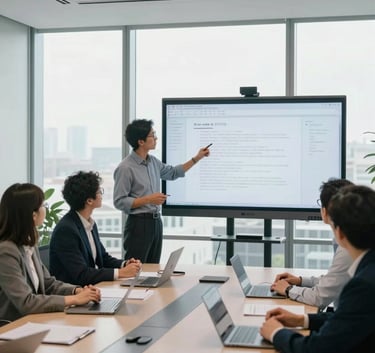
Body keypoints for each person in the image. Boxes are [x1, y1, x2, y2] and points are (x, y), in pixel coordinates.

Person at [260, 184, 375, 353]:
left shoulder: (364, 285)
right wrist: (302, 319)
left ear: (340, 234)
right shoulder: (368, 268)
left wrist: (276, 333)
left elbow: (316, 349)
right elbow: (350, 317)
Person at [113, 119, 210, 263]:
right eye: (152, 135)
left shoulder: (153, 161)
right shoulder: (126, 168)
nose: (156, 138)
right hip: (138, 224)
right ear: (141, 141)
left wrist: (197, 158)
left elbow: (173, 173)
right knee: (135, 269)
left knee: (152, 268)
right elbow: (119, 201)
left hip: (156, 222)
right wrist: (148, 199)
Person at [0, 183, 101, 322]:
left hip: (34, 321)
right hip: (12, 328)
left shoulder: (28, 243)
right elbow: (26, 302)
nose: (45, 209)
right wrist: (74, 299)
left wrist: (77, 291)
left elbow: (48, 284)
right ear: (33, 215)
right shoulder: (6, 251)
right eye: (43, 205)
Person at [271, 178, 353, 310]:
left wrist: (288, 289)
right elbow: (335, 280)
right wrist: (301, 281)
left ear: (324, 211)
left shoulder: (348, 248)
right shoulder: (350, 239)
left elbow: (319, 298)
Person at [50, 171, 142, 286]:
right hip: (73, 295)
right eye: (99, 192)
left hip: (89, 289)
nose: (101, 195)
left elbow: (103, 258)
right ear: (89, 201)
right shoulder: (66, 230)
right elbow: (81, 274)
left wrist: (125, 264)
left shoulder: (89, 223)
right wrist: (121, 273)